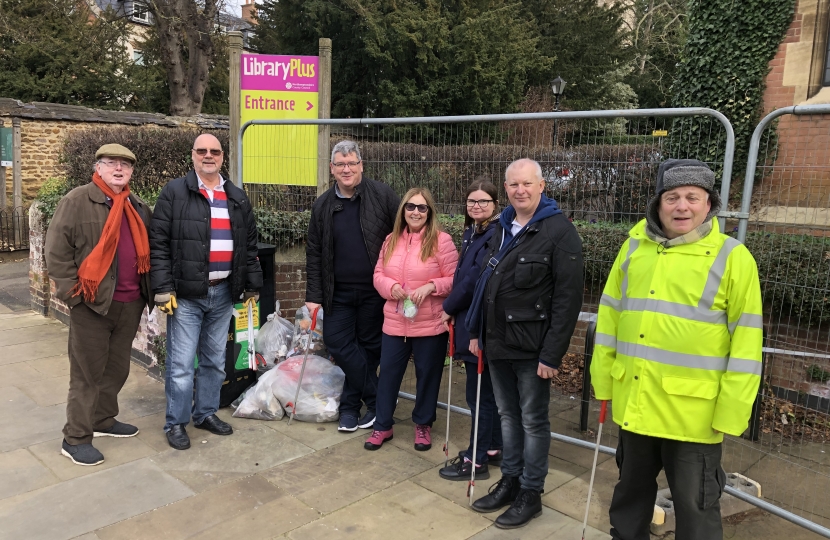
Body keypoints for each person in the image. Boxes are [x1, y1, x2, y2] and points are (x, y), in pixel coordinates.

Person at [590, 159, 763, 540]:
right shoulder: (634, 248)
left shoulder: (732, 257)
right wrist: (603, 383)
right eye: (672, 197)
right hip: (636, 402)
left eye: (691, 197)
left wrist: (732, 411)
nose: (681, 206)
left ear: (708, 204)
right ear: (658, 204)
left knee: (696, 508)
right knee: (630, 498)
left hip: (693, 418)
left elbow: (747, 342)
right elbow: (610, 320)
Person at [466, 158, 584, 529]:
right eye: (513, 184)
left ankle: (531, 492)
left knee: (533, 421)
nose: (520, 190)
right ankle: (511, 481)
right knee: (507, 417)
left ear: (541, 186)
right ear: (507, 188)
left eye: (527, 184)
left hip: (533, 351)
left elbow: (568, 299)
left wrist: (553, 353)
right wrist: (477, 333)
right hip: (497, 344)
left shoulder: (559, 231)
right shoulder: (501, 227)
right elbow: (485, 287)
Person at [149, 133, 262, 451]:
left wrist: (252, 283)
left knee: (214, 362)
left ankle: (206, 413)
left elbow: (248, 245)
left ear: (222, 157)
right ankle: (175, 423)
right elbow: (157, 244)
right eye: (202, 151)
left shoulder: (236, 197)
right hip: (185, 295)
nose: (208, 156)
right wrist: (162, 287)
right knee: (182, 365)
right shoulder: (174, 192)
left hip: (224, 292)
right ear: (193, 155)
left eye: (214, 151)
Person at [45, 144, 153, 466]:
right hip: (91, 305)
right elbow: (56, 252)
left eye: (125, 165)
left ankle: (103, 419)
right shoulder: (77, 201)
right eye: (111, 163)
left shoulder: (137, 206)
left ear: (131, 171)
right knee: (86, 374)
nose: (119, 169)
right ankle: (75, 437)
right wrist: (73, 297)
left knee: (117, 369)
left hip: (130, 302)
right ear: (99, 167)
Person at [305, 140, 399, 432]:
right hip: (338, 293)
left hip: (375, 291)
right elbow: (314, 252)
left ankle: (350, 409)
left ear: (361, 166)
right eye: (340, 164)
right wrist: (313, 295)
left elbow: (403, 235)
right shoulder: (322, 205)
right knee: (338, 343)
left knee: (370, 348)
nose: (346, 169)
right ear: (332, 169)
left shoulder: (382, 196)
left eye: (352, 163)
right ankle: (378, 400)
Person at [364, 188, 458, 451]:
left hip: (430, 323)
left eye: (422, 207)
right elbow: (378, 274)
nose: (415, 212)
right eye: (410, 207)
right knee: (388, 377)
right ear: (403, 210)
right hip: (395, 323)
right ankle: (382, 425)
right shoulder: (390, 240)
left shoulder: (442, 241)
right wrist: (389, 286)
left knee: (427, 376)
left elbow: (455, 279)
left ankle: (423, 425)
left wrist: (431, 286)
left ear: (429, 213)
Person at [438, 180, 503, 481]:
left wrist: (448, 307)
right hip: (470, 322)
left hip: (479, 324)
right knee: (484, 392)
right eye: (471, 201)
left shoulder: (493, 234)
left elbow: (473, 279)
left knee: (479, 395)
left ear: (495, 204)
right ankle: (491, 446)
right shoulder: (472, 233)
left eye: (483, 201)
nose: (476, 206)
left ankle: (477, 461)